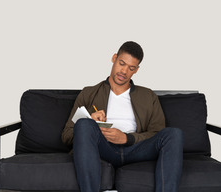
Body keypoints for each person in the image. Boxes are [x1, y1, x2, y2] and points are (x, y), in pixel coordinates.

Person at [62, 41, 183, 192]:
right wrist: (90, 123)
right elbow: (66, 136)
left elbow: (157, 134)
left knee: (174, 134)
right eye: (121, 63)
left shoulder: (148, 95)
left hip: (136, 149)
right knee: (84, 124)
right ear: (114, 58)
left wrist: (128, 138)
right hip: (103, 148)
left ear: (136, 70)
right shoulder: (89, 93)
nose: (124, 71)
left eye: (131, 68)